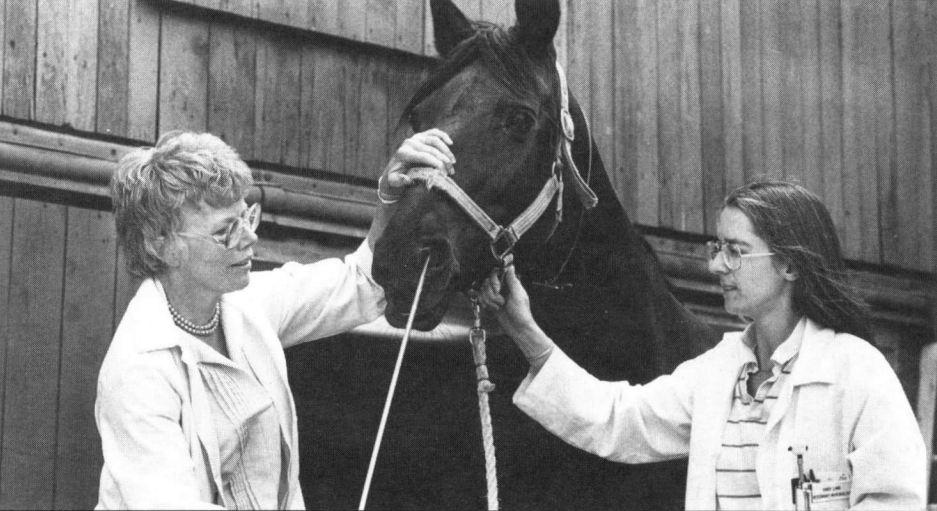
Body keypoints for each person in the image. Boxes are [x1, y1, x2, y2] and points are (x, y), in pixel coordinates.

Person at [478, 180, 926, 510]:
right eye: (717, 247)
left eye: (734, 250)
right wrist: (523, 329)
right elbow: (618, 420)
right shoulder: (717, 372)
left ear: (788, 264)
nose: (715, 265)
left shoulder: (856, 370)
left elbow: (894, 501)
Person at [95, 129, 454, 509]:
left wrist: (389, 198)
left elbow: (360, 282)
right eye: (226, 231)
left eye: (247, 216)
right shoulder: (136, 370)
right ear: (161, 244)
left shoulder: (248, 302)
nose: (250, 238)